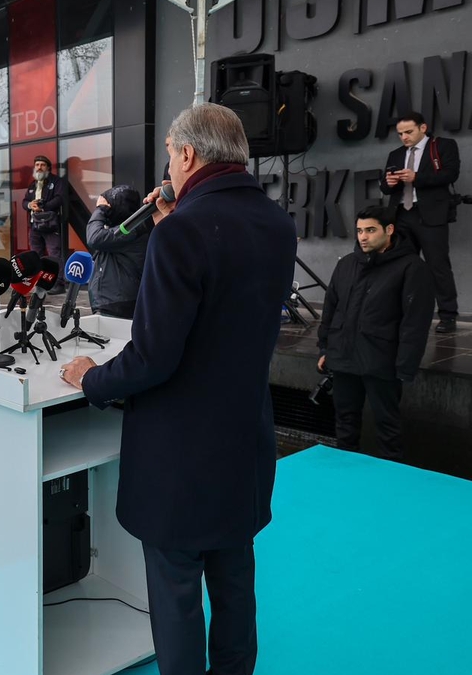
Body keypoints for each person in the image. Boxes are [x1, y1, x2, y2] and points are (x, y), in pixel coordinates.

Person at [59, 103, 297, 675]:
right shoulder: (275, 222)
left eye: (169, 152)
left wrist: (91, 378)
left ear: (187, 153)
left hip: (180, 456)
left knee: (176, 595)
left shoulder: (184, 232)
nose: (167, 164)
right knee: (236, 582)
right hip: (244, 442)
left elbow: (153, 357)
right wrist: (173, 226)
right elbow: (226, 308)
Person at [317, 205, 434, 460]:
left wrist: (405, 367)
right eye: (359, 230)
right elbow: (331, 308)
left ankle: (390, 488)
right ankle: (346, 478)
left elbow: (415, 322)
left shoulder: (412, 267)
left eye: (370, 230)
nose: (363, 237)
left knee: (388, 430)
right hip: (344, 359)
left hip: (382, 362)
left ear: (389, 230)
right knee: (344, 426)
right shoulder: (347, 264)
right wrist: (325, 348)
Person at [379, 111, 461, 333]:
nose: (404, 137)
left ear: (422, 128)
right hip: (401, 215)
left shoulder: (442, 146)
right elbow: (386, 188)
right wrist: (388, 182)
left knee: (438, 266)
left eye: (408, 132)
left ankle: (447, 315)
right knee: (400, 266)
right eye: (400, 134)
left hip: (431, 215)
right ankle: (401, 312)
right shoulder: (396, 154)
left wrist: (417, 178)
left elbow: (451, 174)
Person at [86, 185, 150, 320]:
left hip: (117, 303)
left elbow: (94, 238)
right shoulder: (129, 227)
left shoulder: (130, 230)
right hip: (115, 300)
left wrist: (100, 210)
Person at [24, 155, 69, 260]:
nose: (39, 167)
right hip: (34, 225)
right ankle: (39, 276)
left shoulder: (57, 181)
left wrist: (43, 207)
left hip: (50, 225)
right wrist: (30, 205)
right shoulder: (32, 184)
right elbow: (24, 201)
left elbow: (59, 198)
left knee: (54, 254)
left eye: (42, 165)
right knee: (35, 255)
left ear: (48, 167)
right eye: (37, 165)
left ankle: (58, 277)